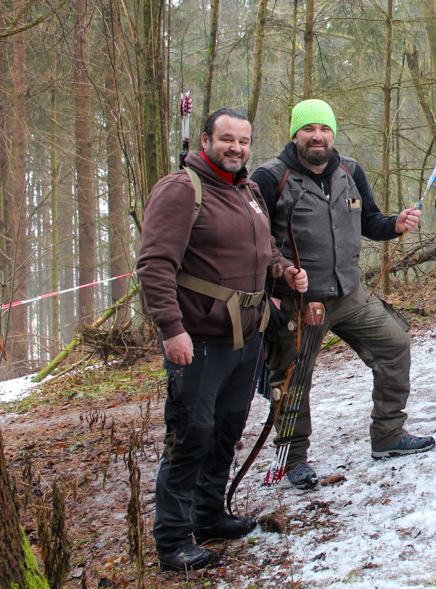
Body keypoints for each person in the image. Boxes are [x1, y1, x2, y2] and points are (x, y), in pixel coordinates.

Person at [136, 108, 307, 572]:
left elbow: (265, 249)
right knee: (190, 436)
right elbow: (154, 265)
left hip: (246, 336)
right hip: (199, 340)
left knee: (226, 430)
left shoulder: (248, 190)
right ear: (206, 140)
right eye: (227, 138)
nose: (236, 148)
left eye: (244, 140)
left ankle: (209, 515)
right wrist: (171, 329)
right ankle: (173, 540)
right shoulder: (181, 189)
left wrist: (284, 271)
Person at [250, 99, 434, 487]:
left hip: (349, 293)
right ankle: (292, 460)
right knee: (292, 378)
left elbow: (370, 221)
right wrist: (278, 279)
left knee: (395, 343)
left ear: (333, 133)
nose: (317, 136)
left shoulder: (349, 171)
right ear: (295, 135)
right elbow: (253, 240)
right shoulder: (270, 177)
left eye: (324, 129)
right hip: (299, 302)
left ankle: (388, 435)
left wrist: (396, 223)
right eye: (308, 129)